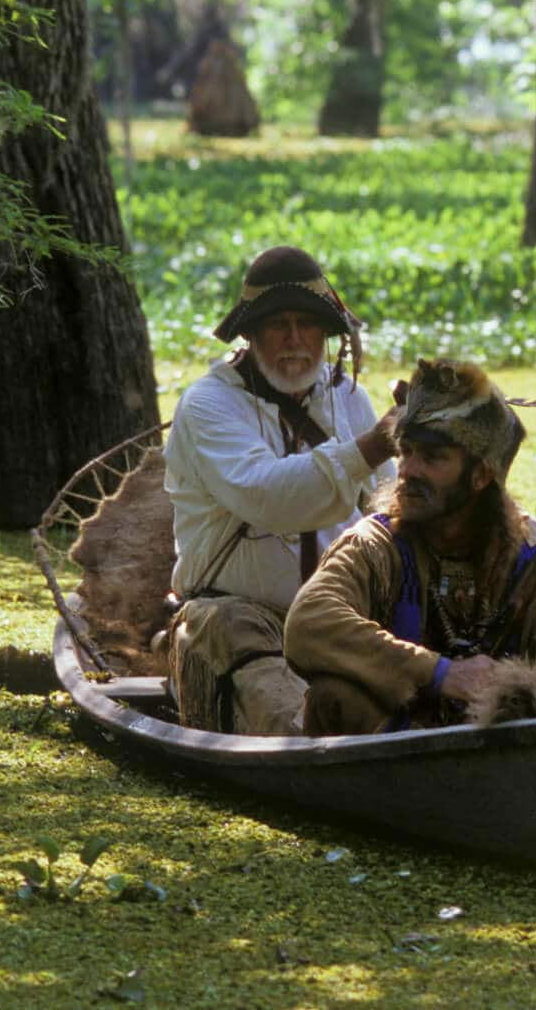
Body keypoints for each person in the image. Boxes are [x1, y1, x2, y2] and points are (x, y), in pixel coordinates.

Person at [285, 358, 536, 735]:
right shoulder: (376, 544)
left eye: (432, 458)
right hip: (393, 744)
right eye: (407, 452)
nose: (409, 470)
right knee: (335, 697)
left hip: (504, 750)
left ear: (479, 476)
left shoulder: (535, 556)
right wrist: (440, 672)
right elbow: (308, 622)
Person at [162, 245, 398, 734]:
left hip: (341, 613)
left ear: (326, 333)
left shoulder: (350, 399)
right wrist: (371, 447)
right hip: (239, 617)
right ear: (250, 334)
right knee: (294, 724)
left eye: (307, 324)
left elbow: (388, 511)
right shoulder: (209, 404)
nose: (294, 339)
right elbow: (268, 497)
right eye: (277, 325)